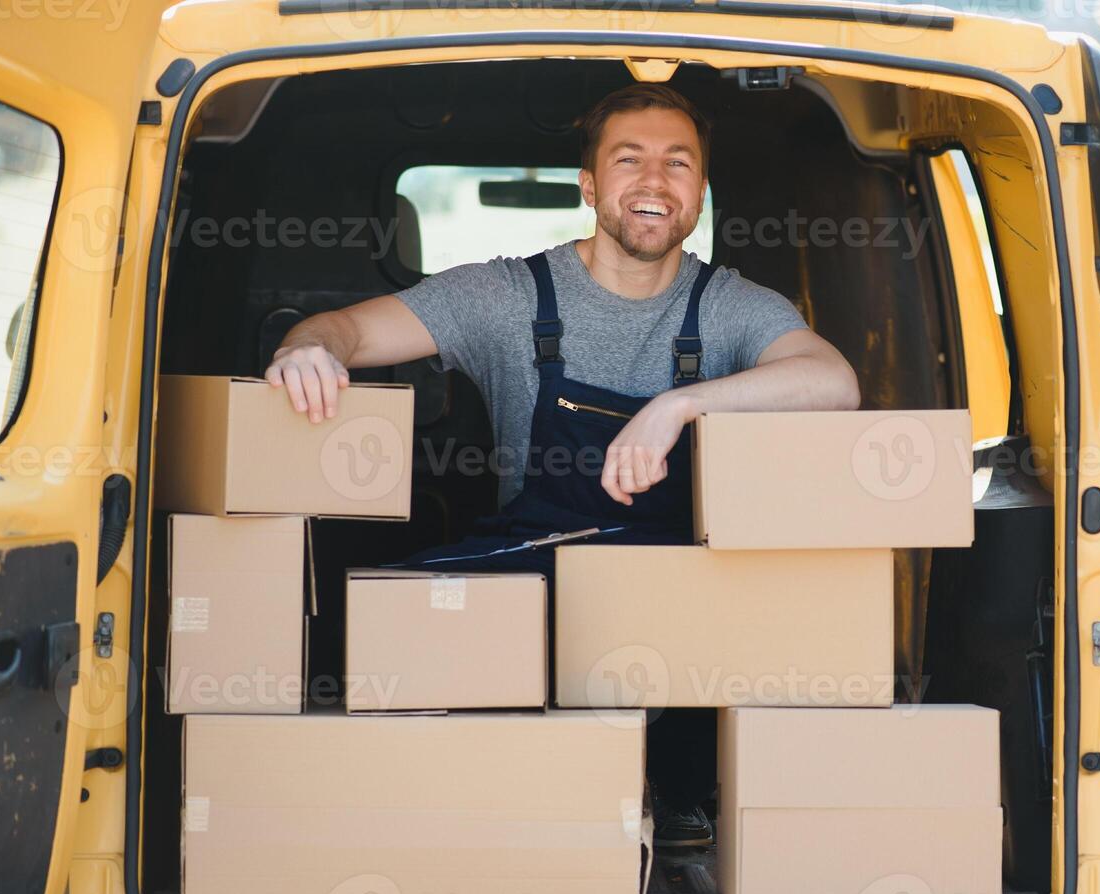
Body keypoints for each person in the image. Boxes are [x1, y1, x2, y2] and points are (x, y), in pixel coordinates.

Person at [265, 82, 859, 847]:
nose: (654, 181)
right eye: (629, 160)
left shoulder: (729, 305)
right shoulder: (505, 295)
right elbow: (343, 328)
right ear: (590, 185)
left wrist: (676, 406)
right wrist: (305, 349)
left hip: (674, 602)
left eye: (678, 164)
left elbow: (833, 382)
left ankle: (678, 799)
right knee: (384, 615)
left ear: (700, 192)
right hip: (536, 571)